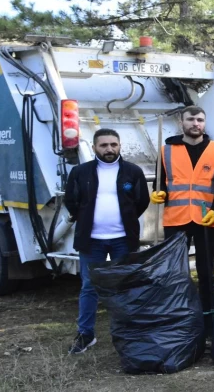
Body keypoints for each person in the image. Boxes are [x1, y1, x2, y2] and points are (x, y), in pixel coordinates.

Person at [64, 128, 150, 354]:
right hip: (91, 240)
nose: (109, 149)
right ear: (94, 148)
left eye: (113, 144)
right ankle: (86, 334)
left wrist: (127, 220)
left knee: (124, 286)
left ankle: (129, 332)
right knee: (89, 287)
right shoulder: (80, 172)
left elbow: (141, 201)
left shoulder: (132, 171)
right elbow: (71, 200)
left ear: (120, 146)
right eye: (104, 145)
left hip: (123, 239)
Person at [150, 105, 214, 337]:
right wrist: (159, 193)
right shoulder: (166, 151)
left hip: (207, 219)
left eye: (200, 120)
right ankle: (179, 317)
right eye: (191, 119)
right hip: (176, 219)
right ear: (181, 122)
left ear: (205, 123)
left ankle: (208, 318)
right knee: (175, 272)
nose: (196, 123)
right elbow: (161, 183)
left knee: (206, 272)